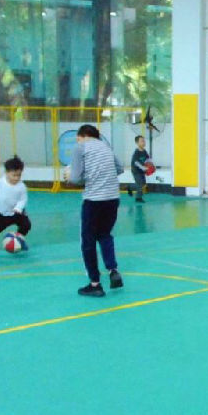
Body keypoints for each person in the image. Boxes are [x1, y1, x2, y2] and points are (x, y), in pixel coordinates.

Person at [64, 124, 124, 297]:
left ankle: (95, 283)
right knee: (105, 234)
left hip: (94, 200)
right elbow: (119, 169)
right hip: (113, 198)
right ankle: (113, 270)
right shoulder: (106, 147)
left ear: (81, 136)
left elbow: (76, 178)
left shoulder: (80, 148)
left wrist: (69, 176)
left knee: (88, 240)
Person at [128, 135, 151, 203]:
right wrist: (143, 168)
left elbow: (148, 159)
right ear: (137, 143)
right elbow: (136, 162)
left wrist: (151, 165)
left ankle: (130, 187)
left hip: (141, 171)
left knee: (143, 184)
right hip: (136, 170)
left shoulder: (144, 151)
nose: (143, 142)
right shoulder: (136, 152)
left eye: (144, 141)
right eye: (142, 141)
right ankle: (138, 198)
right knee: (140, 184)